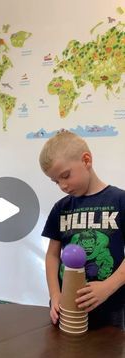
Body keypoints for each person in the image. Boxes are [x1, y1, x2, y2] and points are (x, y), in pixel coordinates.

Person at [39, 130, 125, 329]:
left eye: (65, 176)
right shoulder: (61, 208)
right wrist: (55, 295)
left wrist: (107, 287)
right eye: (56, 181)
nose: (62, 185)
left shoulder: (120, 201)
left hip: (112, 308)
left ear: (86, 160)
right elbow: (52, 255)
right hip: (69, 306)